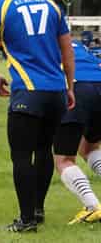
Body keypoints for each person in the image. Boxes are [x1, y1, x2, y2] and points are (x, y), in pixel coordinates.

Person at [0, 0, 75, 233]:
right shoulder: (52, 6)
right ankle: (38, 210)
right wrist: (69, 87)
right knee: (44, 150)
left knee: (21, 155)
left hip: (27, 93)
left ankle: (26, 219)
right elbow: (67, 52)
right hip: (56, 92)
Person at [53, 40, 101, 224]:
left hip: (76, 87)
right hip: (99, 83)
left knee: (64, 159)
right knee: (89, 147)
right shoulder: (76, 44)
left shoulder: (42, 41)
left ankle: (92, 206)